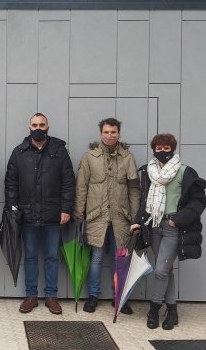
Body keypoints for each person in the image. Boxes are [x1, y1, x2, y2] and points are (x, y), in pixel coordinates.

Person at [131, 133, 206, 330]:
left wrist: (177, 220)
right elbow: (144, 199)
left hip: (173, 227)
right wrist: (138, 221)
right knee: (164, 270)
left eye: (167, 148)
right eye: (159, 148)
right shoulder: (148, 171)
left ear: (172, 149)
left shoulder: (185, 171)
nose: (163, 151)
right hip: (154, 225)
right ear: (154, 149)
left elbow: (199, 201)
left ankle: (154, 308)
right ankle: (172, 311)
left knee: (161, 270)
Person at [5, 113, 75, 315]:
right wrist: (13, 210)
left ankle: (52, 296)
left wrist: (66, 209)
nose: (38, 128)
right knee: (31, 257)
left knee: (52, 257)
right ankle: (31, 296)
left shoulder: (59, 151)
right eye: (34, 124)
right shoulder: (19, 152)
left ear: (48, 126)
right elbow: (11, 183)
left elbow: (68, 182)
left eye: (42, 124)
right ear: (29, 127)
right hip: (27, 216)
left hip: (53, 215)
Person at [75, 118, 140, 314]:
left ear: (119, 133)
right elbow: (81, 187)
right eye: (106, 132)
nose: (109, 135)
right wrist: (79, 213)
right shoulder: (89, 157)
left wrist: (136, 218)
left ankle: (119, 297)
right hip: (97, 216)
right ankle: (93, 296)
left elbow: (134, 190)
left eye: (113, 132)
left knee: (120, 259)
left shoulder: (128, 157)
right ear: (100, 133)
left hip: (121, 217)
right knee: (95, 258)